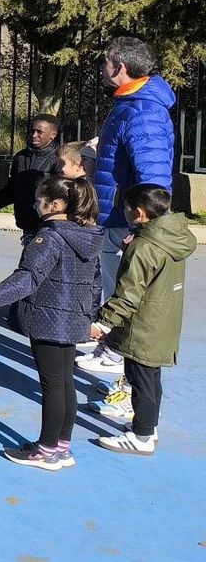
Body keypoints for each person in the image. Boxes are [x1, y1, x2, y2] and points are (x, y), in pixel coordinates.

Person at [0, 176, 102, 471]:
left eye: (39, 201)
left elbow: (28, 277)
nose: (35, 206)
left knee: (52, 385)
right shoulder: (87, 235)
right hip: (72, 318)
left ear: (56, 205)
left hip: (49, 319)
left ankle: (46, 449)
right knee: (64, 382)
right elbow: (97, 281)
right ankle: (61, 446)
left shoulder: (48, 237)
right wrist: (90, 316)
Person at [83, 36, 177, 378]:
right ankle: (116, 359)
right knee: (117, 290)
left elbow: (152, 177)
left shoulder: (142, 110)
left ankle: (122, 371)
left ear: (120, 68)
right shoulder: (130, 103)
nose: (101, 70)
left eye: (105, 64)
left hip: (128, 222)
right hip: (117, 216)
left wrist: (141, 229)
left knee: (127, 297)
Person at [89, 184, 192, 456]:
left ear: (139, 212)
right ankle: (149, 426)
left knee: (140, 378)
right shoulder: (170, 237)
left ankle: (141, 436)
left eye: (124, 208)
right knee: (151, 378)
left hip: (144, 324)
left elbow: (127, 294)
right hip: (163, 321)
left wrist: (102, 323)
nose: (122, 212)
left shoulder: (144, 248)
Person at [0, 115, 61, 240]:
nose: (34, 135)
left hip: (48, 226)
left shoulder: (59, 160)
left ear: (53, 134)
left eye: (39, 132)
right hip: (27, 222)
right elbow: (13, 188)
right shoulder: (20, 157)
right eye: (32, 131)